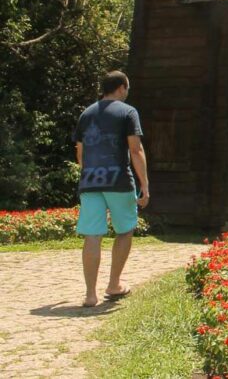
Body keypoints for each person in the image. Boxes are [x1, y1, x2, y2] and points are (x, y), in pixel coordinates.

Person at [73, 70, 150, 307]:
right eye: (127, 88)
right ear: (121, 88)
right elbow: (135, 150)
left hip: (90, 182)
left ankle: (89, 294)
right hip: (119, 181)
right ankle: (114, 284)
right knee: (124, 230)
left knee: (93, 235)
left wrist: (90, 174)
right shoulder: (128, 112)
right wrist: (144, 186)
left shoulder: (86, 113)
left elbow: (80, 154)